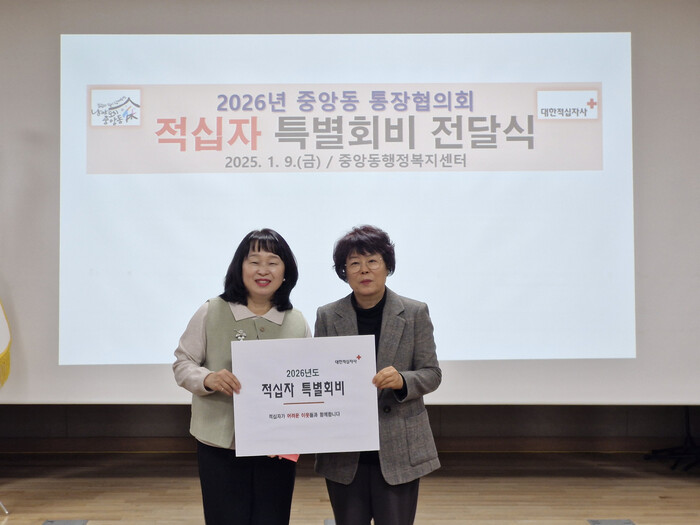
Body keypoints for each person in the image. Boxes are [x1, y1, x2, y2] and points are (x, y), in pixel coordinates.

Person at [173, 228, 310, 525]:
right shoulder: (212, 310)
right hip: (220, 445)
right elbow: (183, 363)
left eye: (273, 262)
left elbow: (304, 382)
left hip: (276, 447)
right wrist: (207, 379)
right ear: (240, 267)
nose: (263, 270)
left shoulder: (297, 321)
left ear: (286, 271)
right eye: (254, 261)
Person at [314, 225, 441, 525]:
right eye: (354, 263)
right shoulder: (328, 316)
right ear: (344, 271)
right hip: (346, 451)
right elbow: (320, 376)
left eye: (372, 261)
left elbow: (432, 373)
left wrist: (403, 381)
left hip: (399, 448)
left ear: (387, 266)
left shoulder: (414, 312)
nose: (364, 270)